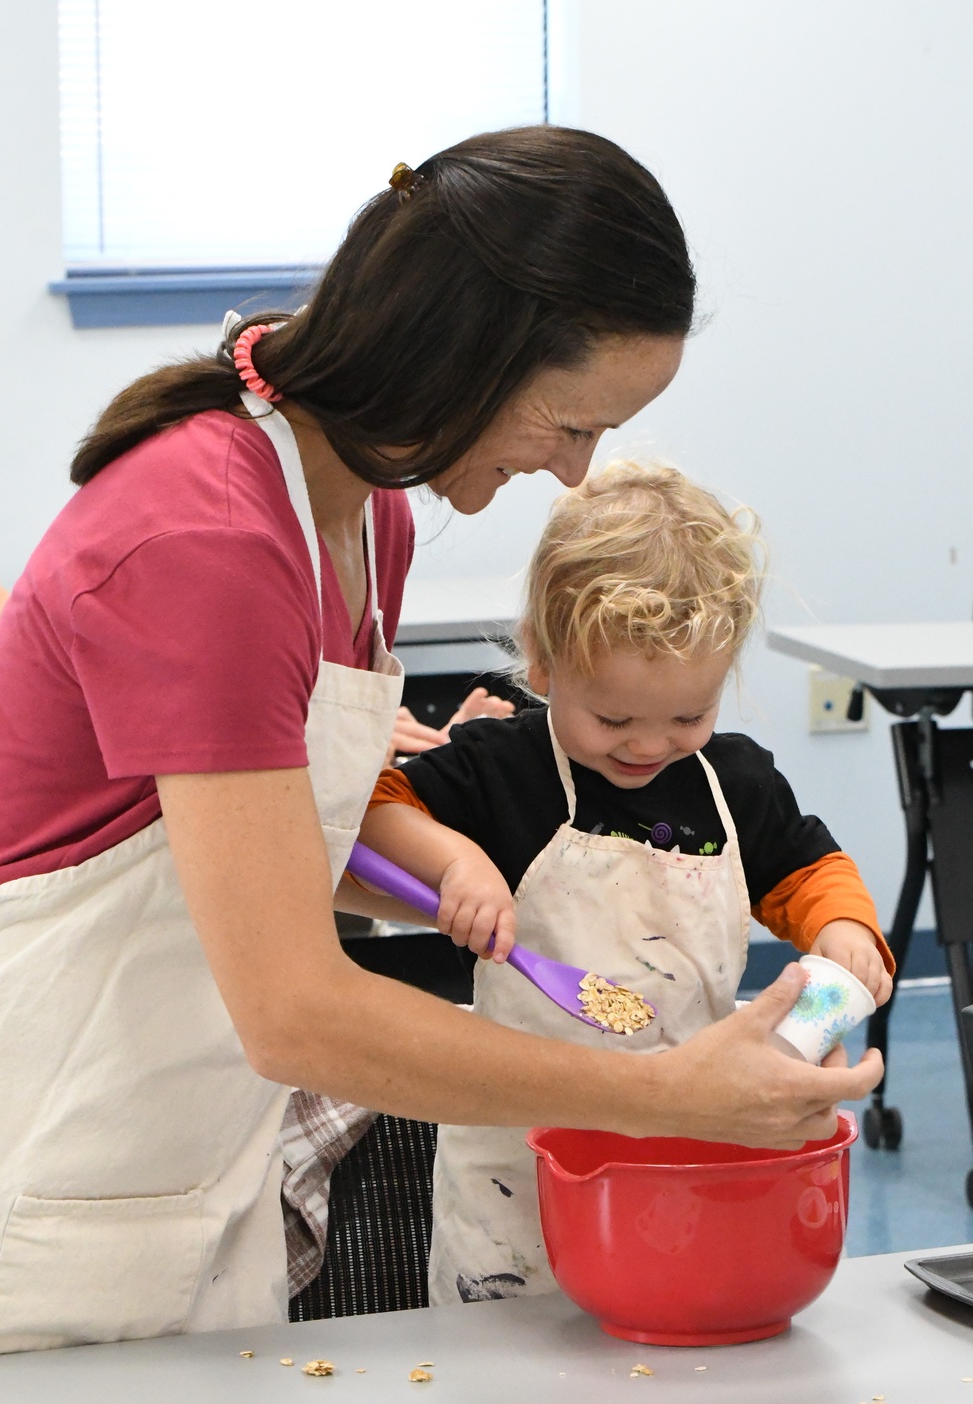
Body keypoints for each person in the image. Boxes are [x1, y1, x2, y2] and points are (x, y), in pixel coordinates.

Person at [0, 126, 881, 1358]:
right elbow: (293, 1010)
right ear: (465, 354)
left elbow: (246, 852)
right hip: (45, 1158)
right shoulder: (213, 538)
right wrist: (670, 1096)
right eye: (569, 425)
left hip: (177, 1163)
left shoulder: (365, 523)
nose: (574, 474)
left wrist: (422, 863)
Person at [359, 462, 892, 1305]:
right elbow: (371, 808)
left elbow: (806, 867)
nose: (649, 745)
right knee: (519, 1379)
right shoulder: (504, 771)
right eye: (612, 719)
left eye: (688, 716)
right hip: (517, 1177)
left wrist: (844, 934)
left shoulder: (733, 783)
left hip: (684, 1153)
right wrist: (453, 861)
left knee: (667, 1336)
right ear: (543, 661)